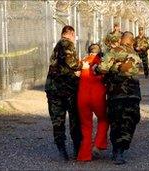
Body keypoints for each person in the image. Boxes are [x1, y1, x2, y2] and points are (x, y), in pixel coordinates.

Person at [95, 31, 142, 165]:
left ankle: (117, 150)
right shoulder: (135, 54)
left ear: (121, 39)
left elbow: (103, 69)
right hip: (133, 93)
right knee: (130, 120)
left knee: (116, 121)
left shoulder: (114, 51)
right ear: (132, 41)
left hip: (116, 93)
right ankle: (122, 149)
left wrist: (96, 69)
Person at [45, 25, 82, 161]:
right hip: (67, 90)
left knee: (58, 121)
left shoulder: (57, 47)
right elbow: (72, 63)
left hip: (53, 90)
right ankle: (77, 149)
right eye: (74, 36)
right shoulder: (67, 44)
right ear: (71, 34)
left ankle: (62, 150)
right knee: (74, 120)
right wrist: (81, 66)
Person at [76, 44, 109, 161]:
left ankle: (84, 155)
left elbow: (75, 74)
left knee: (86, 125)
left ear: (88, 51)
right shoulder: (101, 63)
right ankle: (98, 144)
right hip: (97, 96)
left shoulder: (82, 62)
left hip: (82, 96)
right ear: (99, 52)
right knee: (104, 119)